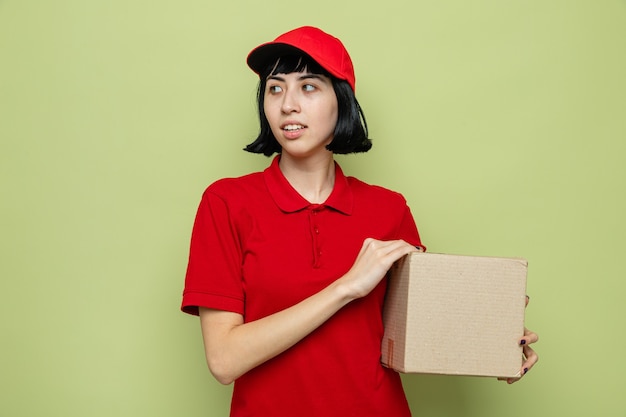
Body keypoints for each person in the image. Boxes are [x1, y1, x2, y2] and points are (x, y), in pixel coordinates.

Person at [181, 26, 539, 416]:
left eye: (309, 87)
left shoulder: (389, 210)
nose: (288, 105)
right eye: (275, 88)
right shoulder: (227, 203)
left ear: (342, 99)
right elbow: (224, 360)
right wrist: (346, 287)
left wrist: (495, 345)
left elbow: (420, 334)